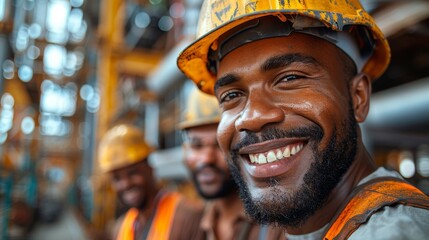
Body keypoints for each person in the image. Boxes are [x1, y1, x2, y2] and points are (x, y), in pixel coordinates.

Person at [177, 0, 429, 239]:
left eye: (290, 78)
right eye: (231, 95)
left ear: (358, 97)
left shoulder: (393, 232)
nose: (252, 118)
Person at [179, 86, 283, 240]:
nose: (207, 159)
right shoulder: (196, 224)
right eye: (196, 145)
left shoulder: (278, 225)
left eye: (219, 145)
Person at [97, 123, 203, 240]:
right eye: (117, 178)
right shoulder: (121, 228)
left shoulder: (188, 216)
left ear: (150, 167)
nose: (126, 184)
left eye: (132, 173)